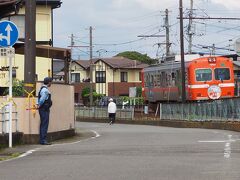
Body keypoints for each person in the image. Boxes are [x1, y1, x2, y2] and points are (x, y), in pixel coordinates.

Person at [37, 77, 53, 145]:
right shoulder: (45, 90)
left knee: (43, 124)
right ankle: (43, 140)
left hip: (43, 109)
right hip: (44, 109)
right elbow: (42, 99)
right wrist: (39, 105)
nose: (51, 83)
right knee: (44, 124)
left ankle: (42, 140)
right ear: (49, 82)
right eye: (51, 82)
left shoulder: (43, 89)